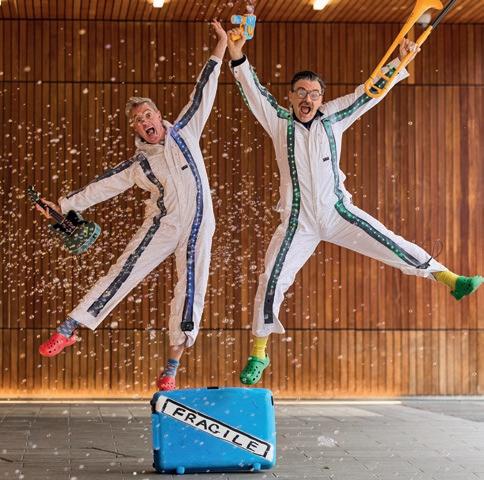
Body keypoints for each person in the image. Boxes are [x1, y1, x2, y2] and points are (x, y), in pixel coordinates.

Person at [227, 29, 483, 386]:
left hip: (338, 213)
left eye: (314, 93)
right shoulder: (278, 121)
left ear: (321, 98)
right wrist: (237, 53)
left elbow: (369, 92)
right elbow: (253, 91)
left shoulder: (333, 116)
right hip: (298, 222)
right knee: (271, 279)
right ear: (290, 96)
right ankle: (259, 352)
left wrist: (400, 60)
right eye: (301, 92)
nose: (307, 98)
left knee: (389, 241)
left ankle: (449, 279)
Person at [36, 20, 228, 392]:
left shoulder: (187, 130)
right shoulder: (138, 164)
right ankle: (69, 328)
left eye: (147, 115)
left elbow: (206, 87)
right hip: (163, 225)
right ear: (136, 130)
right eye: (138, 121)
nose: (144, 122)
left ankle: (171, 370)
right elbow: (100, 187)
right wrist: (60, 206)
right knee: (124, 272)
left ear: (159, 116)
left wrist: (220, 46)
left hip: (200, 225)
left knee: (191, 292)